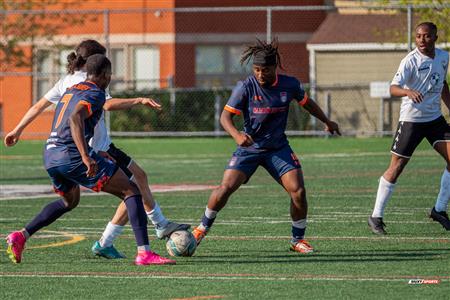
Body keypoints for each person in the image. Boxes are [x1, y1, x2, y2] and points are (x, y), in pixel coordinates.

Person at [3, 40, 189, 259]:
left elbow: (39, 107)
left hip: (52, 151)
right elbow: (85, 114)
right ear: (98, 69)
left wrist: (17, 130)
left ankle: (22, 235)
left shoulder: (68, 84)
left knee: (71, 200)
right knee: (131, 189)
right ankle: (145, 247)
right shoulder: (93, 86)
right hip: (89, 150)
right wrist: (139, 100)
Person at [191, 38, 340, 253]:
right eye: (257, 69)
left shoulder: (290, 85)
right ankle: (201, 229)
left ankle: (297, 239)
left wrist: (327, 122)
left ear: (274, 68)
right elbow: (225, 117)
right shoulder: (245, 87)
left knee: (298, 191)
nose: (260, 74)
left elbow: (308, 104)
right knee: (225, 188)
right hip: (249, 147)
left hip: (278, 148)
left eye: (265, 70)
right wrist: (237, 135)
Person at [368, 22, 450, 235]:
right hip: (411, 121)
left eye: (427, 36)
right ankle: (376, 216)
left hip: (434, 120)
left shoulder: (443, 57)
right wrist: (408, 92)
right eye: (418, 36)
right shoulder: (410, 61)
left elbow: (442, 84)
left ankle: (439, 210)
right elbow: (393, 88)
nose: (422, 40)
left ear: (435, 37)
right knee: (396, 168)